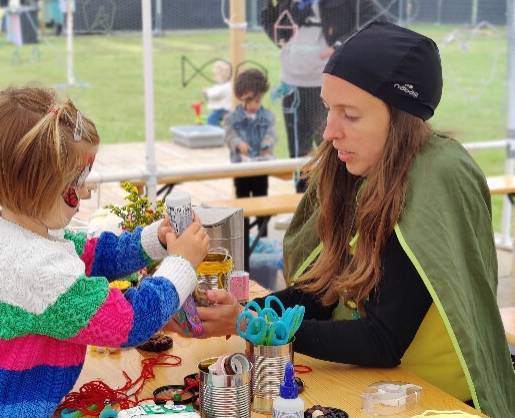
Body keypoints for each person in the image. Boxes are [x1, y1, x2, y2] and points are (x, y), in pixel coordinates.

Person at [171, 22, 515, 417]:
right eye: (328, 108)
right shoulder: (361, 167)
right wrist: (241, 313)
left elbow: (382, 340)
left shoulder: (436, 178)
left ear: (400, 118)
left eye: (349, 115)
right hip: (366, 386)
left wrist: (249, 322)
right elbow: (323, 293)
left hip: (437, 402)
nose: (330, 132)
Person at [0, 85, 211, 417]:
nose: (87, 191)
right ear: (37, 187)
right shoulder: (36, 267)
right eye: (76, 182)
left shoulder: (11, 231)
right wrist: (181, 265)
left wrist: (155, 241)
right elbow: (130, 323)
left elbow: (91, 254)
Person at [260, 0, 386, 193]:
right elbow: (266, 17)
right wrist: (281, 40)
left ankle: (336, 211)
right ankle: (302, 209)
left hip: (329, 86)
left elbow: (378, 17)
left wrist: (340, 44)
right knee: (298, 155)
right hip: (291, 85)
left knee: (333, 152)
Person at [222, 68, 277, 268]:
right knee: (243, 210)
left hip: (260, 169)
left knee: (263, 206)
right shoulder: (231, 119)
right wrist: (239, 145)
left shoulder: (268, 117)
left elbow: (272, 136)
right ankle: (243, 251)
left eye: (258, 100)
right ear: (240, 98)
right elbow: (230, 137)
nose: (254, 105)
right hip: (241, 171)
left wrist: (267, 144)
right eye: (250, 100)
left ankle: (262, 246)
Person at [202, 59, 232, 127]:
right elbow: (215, 90)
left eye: (218, 74)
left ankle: (216, 133)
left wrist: (207, 91)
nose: (216, 76)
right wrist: (208, 90)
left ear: (225, 75)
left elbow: (216, 93)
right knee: (211, 116)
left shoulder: (227, 85)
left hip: (224, 108)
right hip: (221, 106)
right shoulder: (222, 83)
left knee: (211, 118)